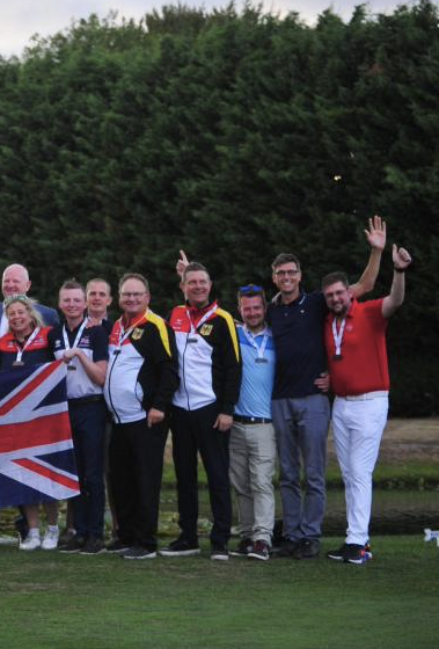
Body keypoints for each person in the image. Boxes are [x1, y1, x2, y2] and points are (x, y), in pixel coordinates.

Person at [266, 218, 384, 559]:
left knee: (314, 473)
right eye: (280, 274)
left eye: (291, 272)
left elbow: (365, 284)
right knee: (287, 473)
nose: (286, 278)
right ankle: (291, 534)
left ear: (299, 276)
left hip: (314, 400)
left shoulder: (318, 302)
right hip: (280, 399)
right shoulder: (272, 310)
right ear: (274, 278)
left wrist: (376, 251)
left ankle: (311, 537)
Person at [322, 243, 411, 564]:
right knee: (349, 473)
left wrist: (398, 271)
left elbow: (395, 300)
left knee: (360, 471)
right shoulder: (328, 322)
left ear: (350, 293)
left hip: (371, 402)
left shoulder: (369, 311)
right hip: (341, 404)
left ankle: (356, 543)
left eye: (339, 293)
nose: (335, 299)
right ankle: (360, 539)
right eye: (330, 295)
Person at [163, 259, 241, 561]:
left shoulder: (222, 319)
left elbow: (234, 368)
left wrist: (227, 409)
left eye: (202, 282)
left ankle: (220, 541)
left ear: (210, 286)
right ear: (183, 286)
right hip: (180, 409)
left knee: (218, 476)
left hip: (211, 410)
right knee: (184, 477)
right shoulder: (175, 315)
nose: (197, 286)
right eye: (191, 282)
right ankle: (188, 537)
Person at [104, 274, 178, 560]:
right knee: (121, 479)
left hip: (145, 417)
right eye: (126, 294)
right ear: (120, 298)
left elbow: (169, 369)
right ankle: (127, 535)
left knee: (145, 479)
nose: (131, 299)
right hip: (119, 419)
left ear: (147, 297)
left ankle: (146, 542)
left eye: (137, 294)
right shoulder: (117, 326)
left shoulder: (156, 325)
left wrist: (159, 406)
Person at [0, 295, 62, 551]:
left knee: (47, 473)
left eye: (21, 312)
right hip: (16, 421)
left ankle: (53, 527)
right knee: (25, 473)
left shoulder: (49, 337)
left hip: (45, 417)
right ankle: (32, 530)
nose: (17, 317)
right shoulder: (1, 345)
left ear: (30, 314)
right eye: (12, 314)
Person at [50, 280, 110, 555]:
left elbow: (100, 377)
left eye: (77, 300)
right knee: (72, 473)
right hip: (63, 409)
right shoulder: (54, 334)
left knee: (93, 474)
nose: (72, 305)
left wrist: (78, 357)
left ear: (85, 304)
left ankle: (96, 534)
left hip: (91, 407)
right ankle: (77, 531)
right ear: (60, 304)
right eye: (67, 300)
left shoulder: (96, 333)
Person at [228, 284, 276, 561]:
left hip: (265, 424)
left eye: (257, 307)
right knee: (241, 484)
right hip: (235, 422)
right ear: (240, 310)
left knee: (261, 482)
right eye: (247, 308)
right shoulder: (233, 336)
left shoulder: (277, 337)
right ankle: (246, 536)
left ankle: (263, 539)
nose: (253, 312)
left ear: (265, 308)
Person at [0, 264, 59, 338]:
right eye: (6, 281)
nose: (10, 285)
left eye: (15, 281)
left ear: (28, 285)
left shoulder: (48, 315)